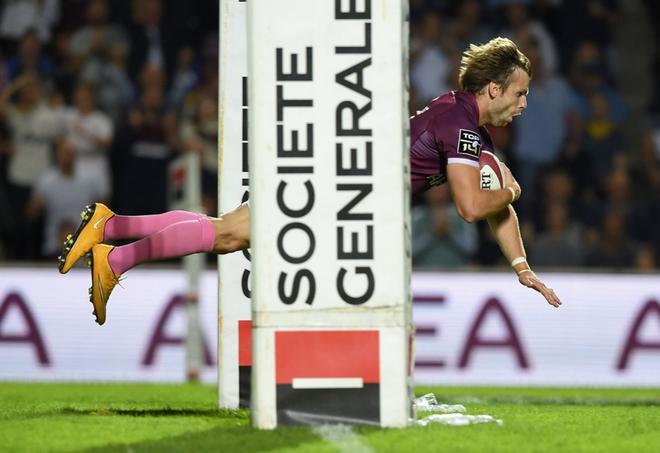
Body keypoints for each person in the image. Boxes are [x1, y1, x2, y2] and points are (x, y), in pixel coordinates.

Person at [59, 37, 561, 326]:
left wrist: (520, 266)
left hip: (339, 184)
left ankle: (110, 230)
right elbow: (474, 206)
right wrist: (512, 189)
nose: (524, 104)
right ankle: (114, 254)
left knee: (228, 230)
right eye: (520, 93)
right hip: (332, 183)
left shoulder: (465, 124)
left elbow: (496, 208)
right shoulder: (461, 129)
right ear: (494, 87)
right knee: (230, 233)